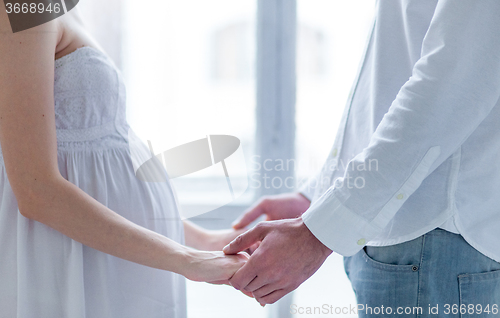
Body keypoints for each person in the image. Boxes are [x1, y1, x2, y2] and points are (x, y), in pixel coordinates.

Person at [224, 0, 500, 315]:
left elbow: (452, 88)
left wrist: (319, 232)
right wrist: (320, 195)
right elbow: (392, 80)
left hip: (430, 241)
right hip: (410, 241)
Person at [0, 5, 249, 318]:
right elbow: (36, 190)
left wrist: (203, 241)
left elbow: (94, 171)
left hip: (110, 257)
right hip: (68, 260)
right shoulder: (24, 8)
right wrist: (187, 259)